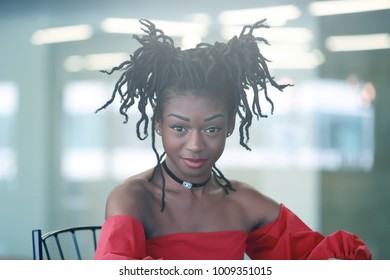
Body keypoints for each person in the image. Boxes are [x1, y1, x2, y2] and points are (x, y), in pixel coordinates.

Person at [93, 19, 371, 260]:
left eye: (211, 129)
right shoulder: (132, 198)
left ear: (229, 126)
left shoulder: (244, 203)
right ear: (158, 125)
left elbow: (314, 260)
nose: (195, 145)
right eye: (179, 128)